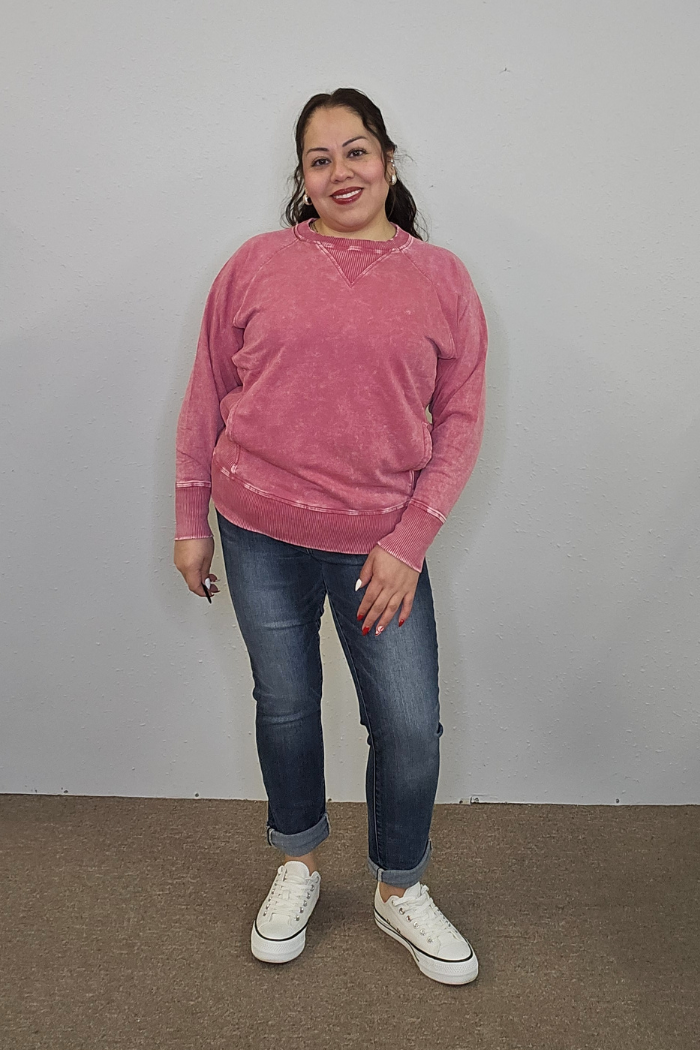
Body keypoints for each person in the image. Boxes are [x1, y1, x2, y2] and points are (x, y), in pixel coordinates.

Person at [173, 88, 487, 986]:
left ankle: (398, 889)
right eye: (319, 160)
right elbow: (207, 393)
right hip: (256, 529)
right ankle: (299, 860)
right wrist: (191, 517)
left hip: (380, 545)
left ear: (388, 162)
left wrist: (409, 539)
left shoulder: (443, 278)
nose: (339, 172)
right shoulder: (255, 263)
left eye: (355, 152)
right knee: (284, 704)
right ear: (301, 180)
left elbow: (461, 417)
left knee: (408, 726)